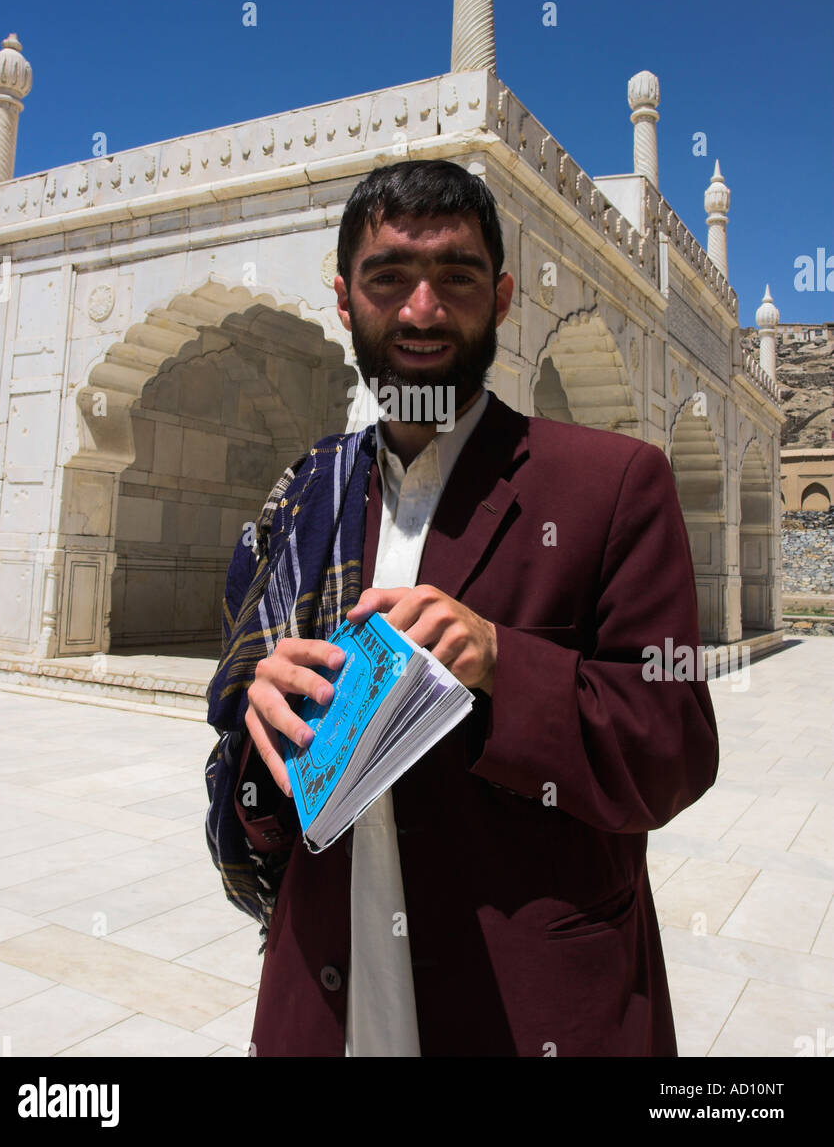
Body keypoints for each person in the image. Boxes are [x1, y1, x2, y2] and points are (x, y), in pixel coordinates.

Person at [204, 158, 719, 1057]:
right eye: (390, 277)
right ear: (343, 298)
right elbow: (246, 759)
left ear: (505, 295)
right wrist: (266, 718)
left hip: (528, 1013)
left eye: (457, 275)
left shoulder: (609, 487)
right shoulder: (304, 497)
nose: (422, 309)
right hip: (328, 1003)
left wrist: (502, 663)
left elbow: (673, 751)